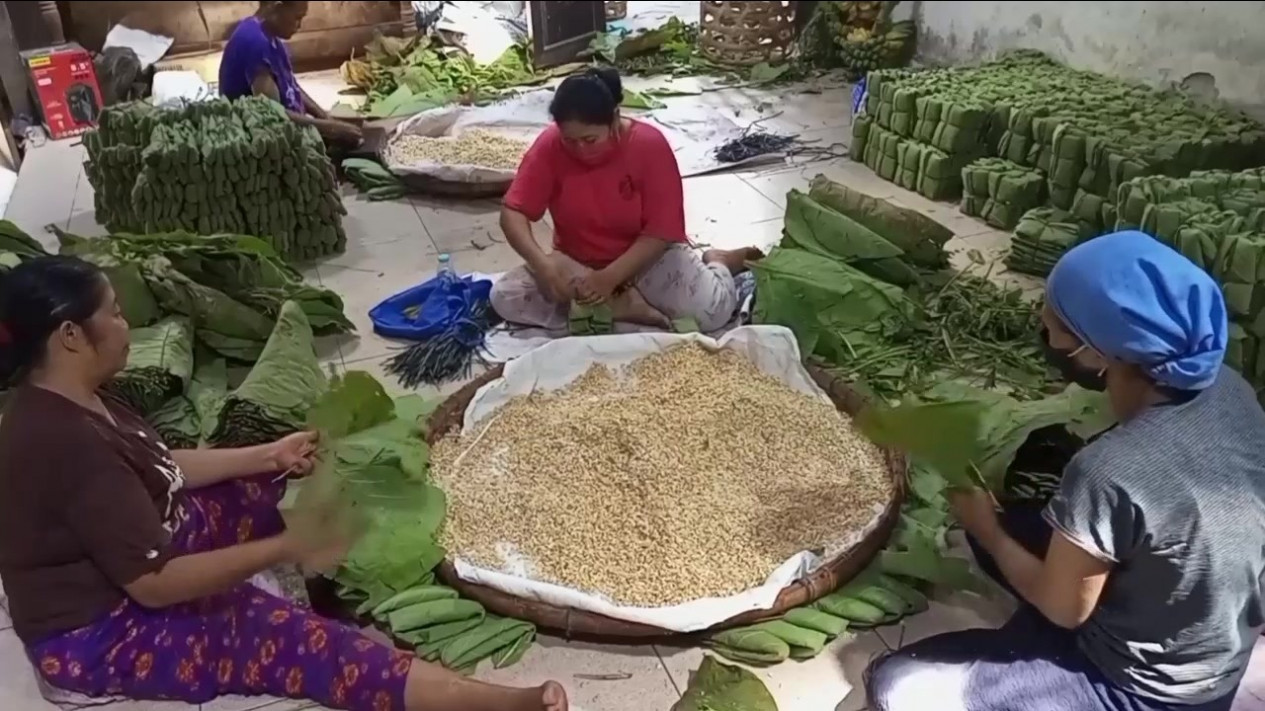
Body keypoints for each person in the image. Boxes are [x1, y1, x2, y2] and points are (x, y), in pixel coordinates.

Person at [0, 256, 567, 711]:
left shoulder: (74, 395)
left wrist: (266, 455)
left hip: (150, 546)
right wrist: (284, 548)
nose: (126, 326)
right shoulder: (62, 445)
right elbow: (155, 585)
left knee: (290, 488)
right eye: (115, 314)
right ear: (70, 334)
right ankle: (502, 705)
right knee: (302, 646)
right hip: (103, 630)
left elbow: (159, 463)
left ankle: (317, 584)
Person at [865, 230, 1265, 711]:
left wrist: (988, 531)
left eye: (1056, 319)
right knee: (1023, 523)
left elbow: (1066, 609)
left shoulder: (1110, 468)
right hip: (1205, 637)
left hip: (1143, 690)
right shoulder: (1226, 384)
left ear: (1100, 351)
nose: (1041, 321)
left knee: (896, 682)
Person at [493, 68, 764, 333]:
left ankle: (719, 262)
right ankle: (623, 307)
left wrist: (610, 278)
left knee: (711, 313)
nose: (580, 150)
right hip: (577, 262)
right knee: (505, 297)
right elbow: (512, 212)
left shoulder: (648, 145)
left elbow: (660, 233)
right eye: (570, 141)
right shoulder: (550, 145)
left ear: (614, 119)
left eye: (590, 139)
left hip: (645, 261)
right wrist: (545, 266)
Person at [219, 1, 363, 146]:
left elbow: (290, 86)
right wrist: (328, 128)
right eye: (297, 18)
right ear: (277, 7)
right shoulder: (253, 42)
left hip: (288, 124)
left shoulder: (269, 36)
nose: (299, 25)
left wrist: (324, 116)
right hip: (260, 140)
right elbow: (272, 114)